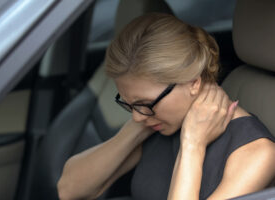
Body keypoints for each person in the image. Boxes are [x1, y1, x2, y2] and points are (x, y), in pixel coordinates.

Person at [57, 13, 275, 200]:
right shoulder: (157, 123)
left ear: (194, 83)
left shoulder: (257, 154)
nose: (136, 116)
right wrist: (135, 131)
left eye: (145, 104)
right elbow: (68, 190)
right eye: (130, 105)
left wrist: (192, 145)